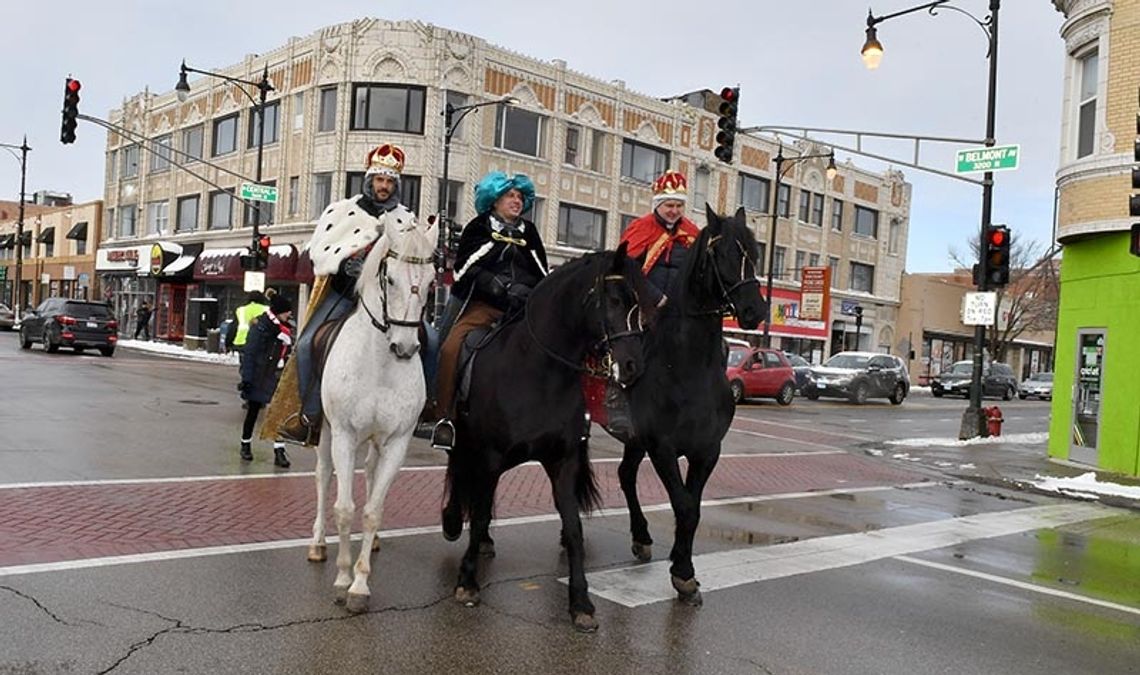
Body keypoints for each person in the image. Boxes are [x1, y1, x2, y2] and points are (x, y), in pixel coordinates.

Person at [265, 143, 418, 446]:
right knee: (307, 343)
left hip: (390, 302)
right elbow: (320, 251)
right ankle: (309, 416)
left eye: (389, 181)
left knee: (431, 340)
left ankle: (427, 410)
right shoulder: (342, 211)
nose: (384, 186)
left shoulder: (405, 219)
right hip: (345, 295)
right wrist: (346, 263)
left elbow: (413, 258)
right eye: (379, 180)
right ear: (370, 180)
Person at [430, 171, 549, 451]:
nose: (516, 201)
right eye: (510, 196)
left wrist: (526, 290)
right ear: (494, 200)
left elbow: (541, 272)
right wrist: (496, 285)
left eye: (520, 197)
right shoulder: (478, 227)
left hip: (521, 309)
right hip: (483, 306)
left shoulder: (529, 232)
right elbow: (465, 268)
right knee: (449, 347)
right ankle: (444, 415)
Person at [619, 170, 700, 308]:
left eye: (679, 206)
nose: (674, 211)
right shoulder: (640, 228)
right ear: (657, 205)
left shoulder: (692, 232)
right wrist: (655, 297)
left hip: (680, 310)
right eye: (669, 205)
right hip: (643, 306)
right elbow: (626, 269)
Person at [239, 294, 295, 468]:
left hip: (278, 374)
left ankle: (279, 451)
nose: (289, 315)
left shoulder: (285, 329)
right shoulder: (261, 327)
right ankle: (245, 444)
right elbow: (250, 353)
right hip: (260, 374)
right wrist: (247, 378)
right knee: (254, 411)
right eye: (287, 312)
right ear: (278, 312)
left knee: (279, 413)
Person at [226, 292, 269, 362]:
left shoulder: (241, 310)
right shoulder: (267, 310)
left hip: (242, 343)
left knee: (245, 366)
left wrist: (228, 343)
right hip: (261, 343)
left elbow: (233, 328)